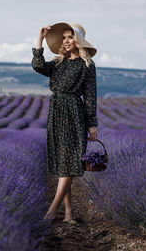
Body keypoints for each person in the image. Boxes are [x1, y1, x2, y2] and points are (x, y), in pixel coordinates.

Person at [31, 22, 98, 223]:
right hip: (56, 112)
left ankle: (52, 211)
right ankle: (68, 214)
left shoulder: (87, 66)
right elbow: (38, 65)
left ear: (78, 41)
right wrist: (40, 39)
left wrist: (92, 123)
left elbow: (90, 96)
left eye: (70, 37)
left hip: (73, 113)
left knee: (69, 163)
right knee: (63, 163)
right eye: (64, 38)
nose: (66, 41)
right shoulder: (59, 62)